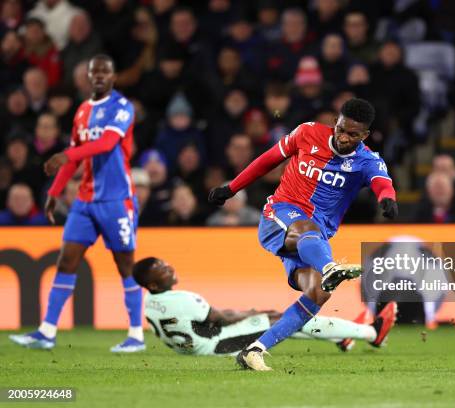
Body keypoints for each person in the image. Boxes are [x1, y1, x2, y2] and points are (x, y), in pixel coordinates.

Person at [208, 98, 398, 370]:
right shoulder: (306, 133)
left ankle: (255, 350)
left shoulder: (366, 161)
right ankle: (330, 267)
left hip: (312, 241)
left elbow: (383, 183)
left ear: (365, 135)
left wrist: (387, 199)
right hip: (280, 215)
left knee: (318, 292)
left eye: (353, 135)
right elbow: (267, 160)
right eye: (341, 129)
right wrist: (232, 187)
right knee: (308, 231)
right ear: (336, 122)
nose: (344, 137)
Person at [9, 55, 143, 353]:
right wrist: (54, 192)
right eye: (94, 72)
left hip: (116, 200)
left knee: (125, 266)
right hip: (84, 201)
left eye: (104, 72)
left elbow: (107, 144)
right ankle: (46, 331)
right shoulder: (82, 111)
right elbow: (77, 152)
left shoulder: (122, 107)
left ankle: (136, 334)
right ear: (88, 76)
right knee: (66, 260)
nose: (98, 76)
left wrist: (66, 156)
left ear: (113, 76)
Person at [133, 257, 396, 356]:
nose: (169, 268)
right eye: (161, 270)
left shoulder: (148, 304)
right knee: (285, 320)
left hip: (195, 348)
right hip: (216, 346)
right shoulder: (182, 299)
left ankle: (342, 336)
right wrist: (255, 313)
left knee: (284, 322)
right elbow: (221, 318)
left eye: (165, 264)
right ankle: (373, 333)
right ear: (154, 284)